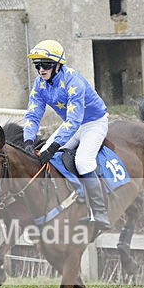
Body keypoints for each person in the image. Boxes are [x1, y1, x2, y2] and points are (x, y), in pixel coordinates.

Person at [23, 39, 111, 232]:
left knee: (83, 162)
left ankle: (99, 212)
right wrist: (28, 140)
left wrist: (55, 146)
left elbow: (74, 120)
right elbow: (32, 115)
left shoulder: (74, 81)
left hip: (93, 122)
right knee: (41, 156)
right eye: (37, 65)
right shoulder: (39, 84)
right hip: (72, 125)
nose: (41, 70)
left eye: (46, 65)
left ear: (57, 65)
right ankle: (67, 197)